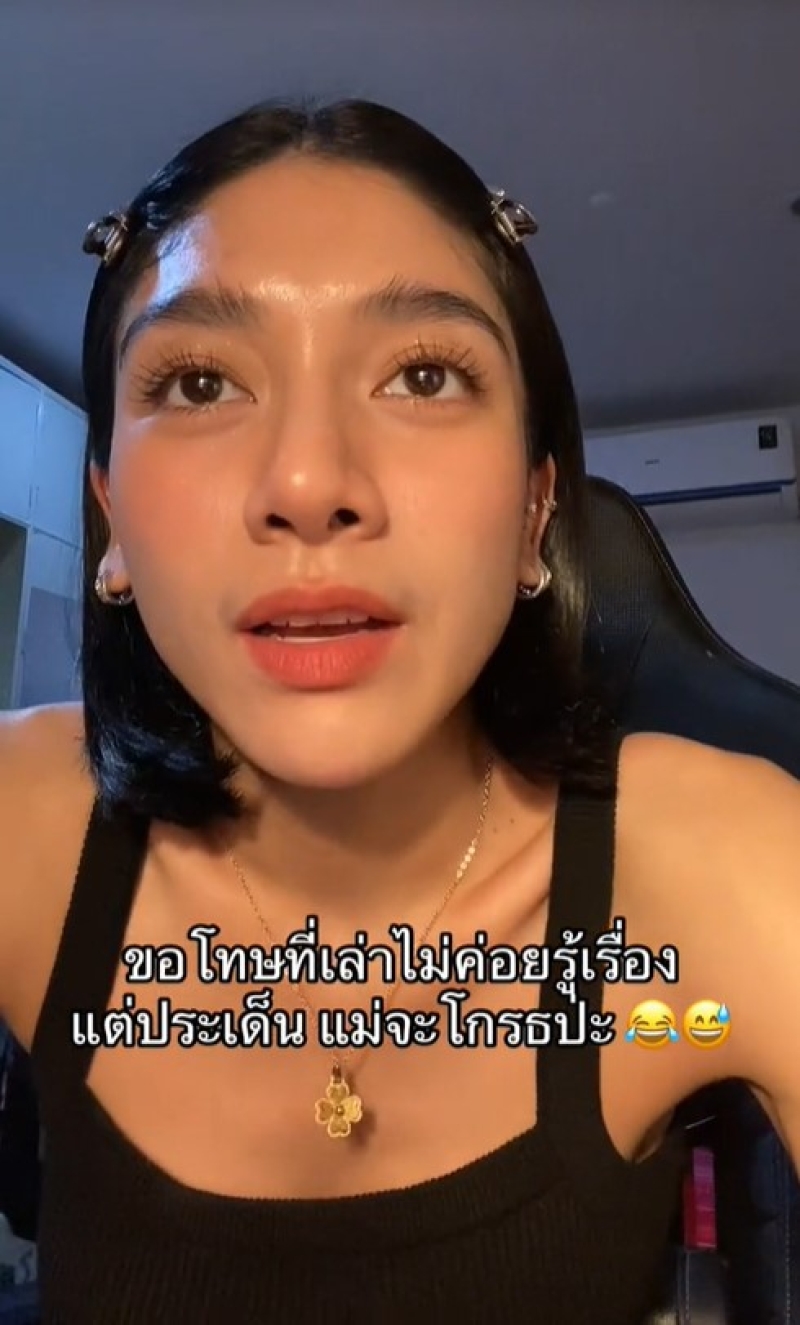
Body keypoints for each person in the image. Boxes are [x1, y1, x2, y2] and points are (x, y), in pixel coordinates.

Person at [0, 96, 797, 1325]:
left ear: (534, 511)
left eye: (423, 374)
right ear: (110, 521)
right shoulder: (27, 822)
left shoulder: (721, 861)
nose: (308, 482)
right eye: (200, 381)